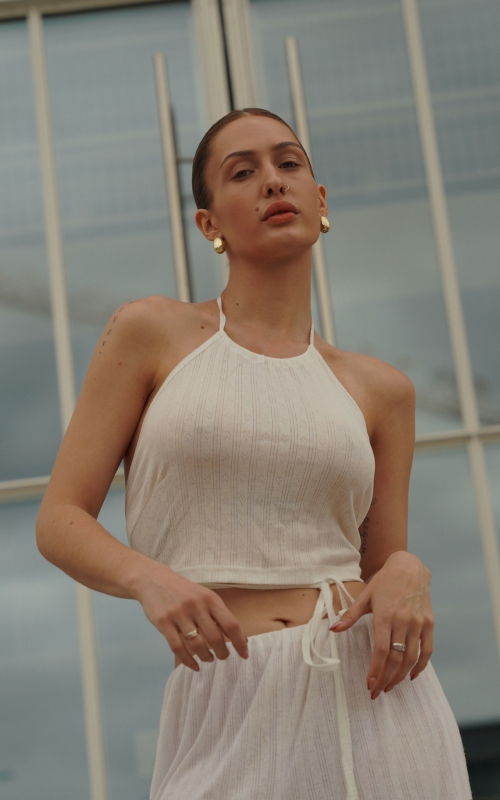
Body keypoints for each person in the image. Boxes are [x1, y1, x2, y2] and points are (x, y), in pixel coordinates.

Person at [37, 108, 471, 800]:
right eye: (243, 173)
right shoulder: (151, 333)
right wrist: (149, 578)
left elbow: (380, 572)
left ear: (320, 200)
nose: (273, 181)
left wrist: (408, 570)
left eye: (288, 163)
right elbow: (59, 519)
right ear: (209, 224)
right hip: (227, 696)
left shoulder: (383, 390)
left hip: (378, 706)